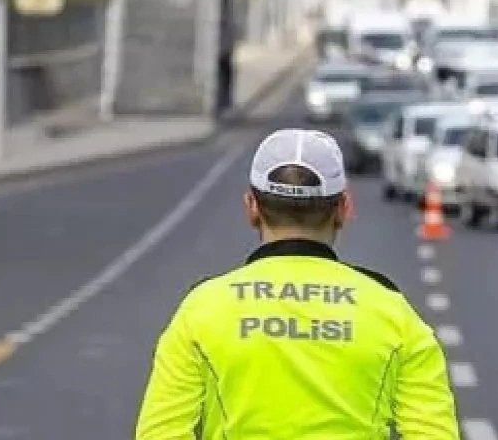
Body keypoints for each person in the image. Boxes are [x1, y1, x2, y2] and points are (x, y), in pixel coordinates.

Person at [135, 129, 461, 439]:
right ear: (343, 209)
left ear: (252, 207)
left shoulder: (202, 310)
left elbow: (160, 433)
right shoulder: (393, 314)